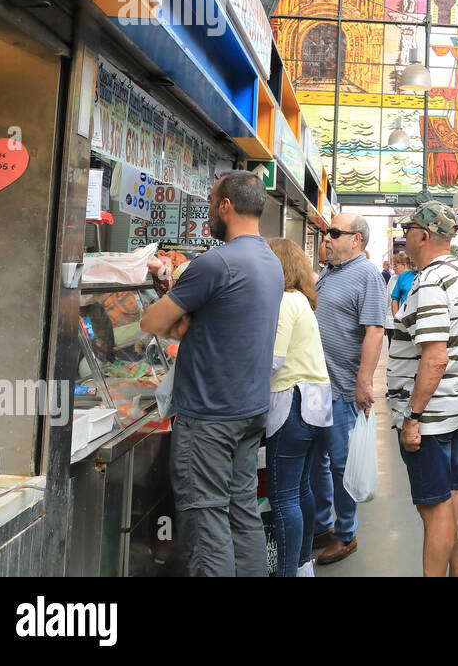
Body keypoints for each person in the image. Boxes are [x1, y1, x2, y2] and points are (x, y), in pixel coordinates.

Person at [139, 171, 283, 577]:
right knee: (242, 513)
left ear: (225, 206)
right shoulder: (270, 261)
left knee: (206, 522)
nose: (208, 214)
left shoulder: (216, 262)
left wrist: (175, 317)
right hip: (250, 409)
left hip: (210, 416)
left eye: (210, 204)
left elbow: (151, 321)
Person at [387, 202, 458, 576]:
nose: (404, 236)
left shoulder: (429, 282)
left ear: (423, 236)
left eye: (409, 230)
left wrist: (413, 415)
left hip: (430, 420)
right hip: (456, 412)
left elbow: (436, 357)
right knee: (457, 498)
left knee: (435, 510)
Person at [311, 213, 389, 565]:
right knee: (319, 463)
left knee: (341, 465)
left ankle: (347, 534)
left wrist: (363, 382)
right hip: (318, 387)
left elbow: (375, 330)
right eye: (327, 232)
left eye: (334, 233)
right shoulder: (331, 271)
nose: (326, 237)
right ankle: (324, 525)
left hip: (343, 389)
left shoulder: (368, 275)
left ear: (355, 239)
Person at [265, 238, 334, 578]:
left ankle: (287, 571)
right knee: (303, 488)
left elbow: (272, 360)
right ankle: (304, 563)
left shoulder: (283, 300)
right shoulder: (303, 301)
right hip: (315, 408)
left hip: (292, 406)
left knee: (284, 498)